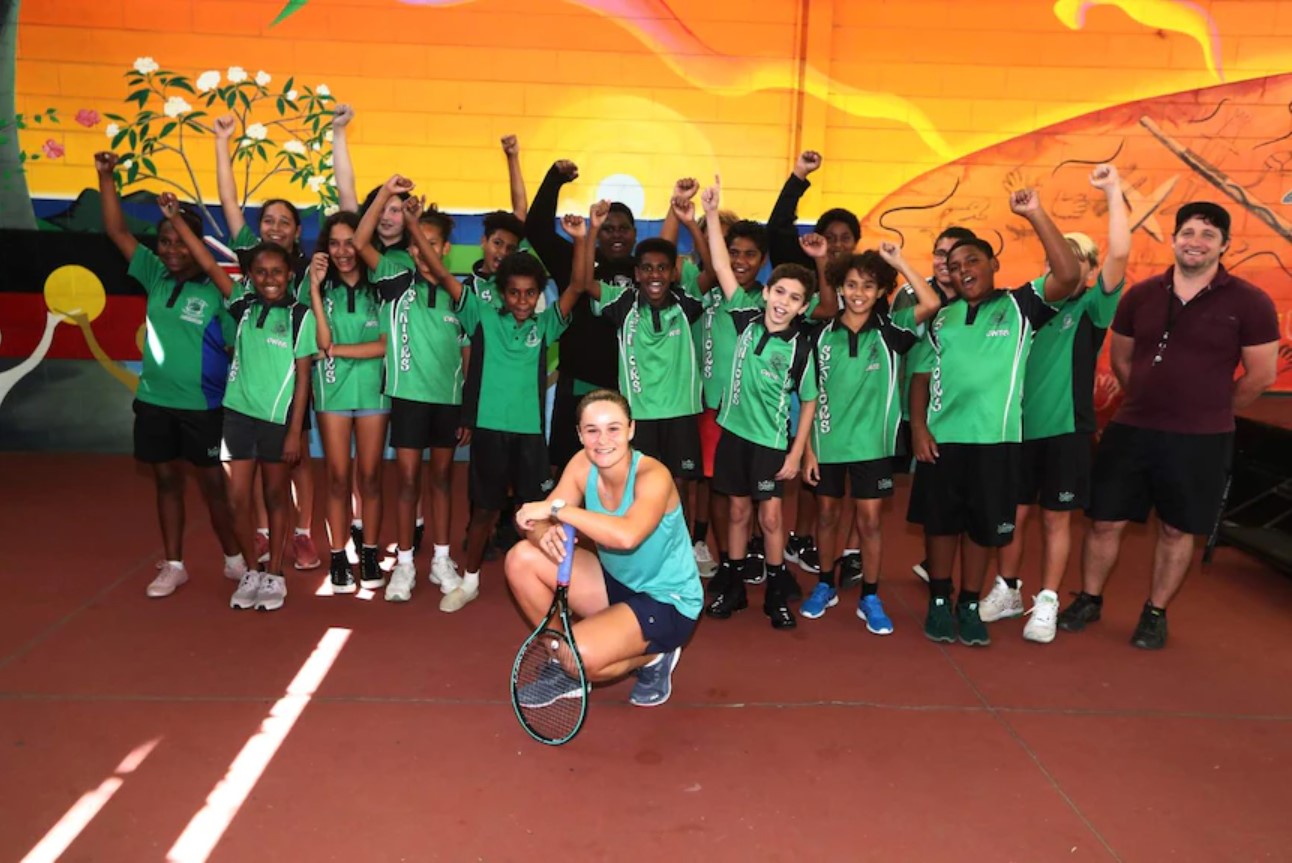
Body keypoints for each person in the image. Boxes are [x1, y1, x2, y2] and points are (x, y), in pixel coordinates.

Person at [1060, 201, 1280, 649]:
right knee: (1103, 520)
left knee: (1177, 529)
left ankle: (1155, 612)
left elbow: (1261, 375)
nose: (1196, 241)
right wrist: (1144, 396)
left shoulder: (1250, 301)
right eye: (1189, 232)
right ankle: (1089, 598)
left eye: (1208, 235)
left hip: (1201, 439)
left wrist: (1215, 408)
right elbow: (1121, 358)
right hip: (1133, 429)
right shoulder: (1140, 295)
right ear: (1174, 238)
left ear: (1225, 245)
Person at [909, 188, 1082, 646]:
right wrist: (920, 429)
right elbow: (921, 378)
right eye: (955, 265)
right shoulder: (940, 318)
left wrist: (1035, 213)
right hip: (943, 442)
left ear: (993, 265)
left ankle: (970, 603)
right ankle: (940, 601)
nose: (964, 270)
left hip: (998, 442)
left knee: (984, 529)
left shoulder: (1021, 307)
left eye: (973, 261)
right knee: (941, 525)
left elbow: (1068, 273)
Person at [412, 187, 588, 613]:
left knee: (542, 518)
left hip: (529, 436)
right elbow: (438, 267)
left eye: (530, 293)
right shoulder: (481, 314)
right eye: (515, 293)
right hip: (490, 433)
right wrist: (414, 226)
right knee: (485, 515)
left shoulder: (546, 325)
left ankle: (556, 588)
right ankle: (470, 582)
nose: (523, 300)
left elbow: (580, 283)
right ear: (502, 292)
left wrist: (584, 239)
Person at [986, 165, 1130, 642]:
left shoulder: (1091, 307)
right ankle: (1007, 589)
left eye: (1076, 258)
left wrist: (1111, 190)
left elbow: (1121, 254)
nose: (1062, 262)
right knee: (1015, 513)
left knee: (1054, 517)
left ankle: (1047, 601)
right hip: (1017, 429)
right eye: (1056, 255)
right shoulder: (1029, 309)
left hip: (1065, 430)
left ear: (1088, 271)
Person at [93, 152, 244, 598]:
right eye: (165, 241)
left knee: (215, 488)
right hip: (156, 403)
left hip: (204, 408)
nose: (172, 250)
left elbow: (238, 351)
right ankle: (174, 563)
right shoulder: (155, 275)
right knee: (165, 481)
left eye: (181, 240)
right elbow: (116, 231)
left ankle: (234, 559)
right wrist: (106, 178)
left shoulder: (219, 292)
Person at [506, 389, 702, 708]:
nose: (602, 440)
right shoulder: (583, 464)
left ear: (631, 429)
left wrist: (557, 510)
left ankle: (653, 658)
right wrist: (541, 534)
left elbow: (626, 536)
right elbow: (537, 519)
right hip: (614, 582)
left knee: (581, 657)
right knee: (520, 559)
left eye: (613, 428)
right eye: (592, 430)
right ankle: (560, 661)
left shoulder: (653, 475)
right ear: (580, 434)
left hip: (667, 601)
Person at [800, 244, 941, 630]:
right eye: (850, 285)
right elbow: (809, 398)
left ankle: (871, 596)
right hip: (827, 443)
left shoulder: (893, 331)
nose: (858, 293)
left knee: (871, 522)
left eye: (868, 286)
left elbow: (929, 301)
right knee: (826, 516)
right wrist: (808, 451)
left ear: (881, 292)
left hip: (873, 446)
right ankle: (825, 584)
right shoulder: (819, 336)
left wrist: (898, 261)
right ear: (839, 288)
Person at [701, 177, 819, 630]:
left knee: (770, 517)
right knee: (736, 511)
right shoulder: (744, 316)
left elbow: (807, 403)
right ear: (766, 293)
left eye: (794, 298)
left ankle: (774, 590)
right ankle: (731, 584)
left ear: (802, 308)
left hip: (770, 443)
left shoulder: (801, 348)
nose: (783, 303)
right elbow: (720, 263)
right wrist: (712, 214)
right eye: (779, 293)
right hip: (734, 434)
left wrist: (795, 453)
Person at [352, 178, 471, 603]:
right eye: (418, 243)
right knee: (406, 480)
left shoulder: (460, 294)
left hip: (448, 403)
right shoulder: (394, 280)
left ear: (446, 250)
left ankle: (440, 558)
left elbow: (468, 352)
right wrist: (387, 195)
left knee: (440, 478)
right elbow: (361, 238)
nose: (426, 251)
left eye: (434, 243)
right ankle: (403, 563)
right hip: (407, 400)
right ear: (409, 247)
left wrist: (466, 412)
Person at [213, 113, 320, 572]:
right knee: (255, 459)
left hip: (293, 377)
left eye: (285, 221)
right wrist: (223, 142)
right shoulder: (254, 260)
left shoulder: (309, 270)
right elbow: (228, 202)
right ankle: (261, 530)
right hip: (251, 380)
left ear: (297, 231)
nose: (275, 227)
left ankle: (302, 533)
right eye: (268, 220)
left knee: (298, 457)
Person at [767, 150, 861, 576]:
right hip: (801, 386)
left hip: (846, 390)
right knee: (789, 461)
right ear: (818, 239)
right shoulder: (805, 274)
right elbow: (777, 226)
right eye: (831, 236)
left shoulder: (866, 281)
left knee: (818, 471)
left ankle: (802, 539)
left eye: (845, 238)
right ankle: (774, 539)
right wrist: (799, 177)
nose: (838, 244)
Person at [582, 202, 706, 516]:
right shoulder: (622, 302)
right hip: (640, 414)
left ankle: (682, 551)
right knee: (639, 483)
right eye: (647, 268)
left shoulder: (685, 300)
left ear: (673, 273)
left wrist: (691, 223)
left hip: (681, 412)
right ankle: (642, 549)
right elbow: (584, 283)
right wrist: (592, 230)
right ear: (637, 273)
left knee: (681, 484)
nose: (655, 274)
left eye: (662, 268)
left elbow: (714, 270)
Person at [525, 159, 636, 469]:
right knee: (568, 467)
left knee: (621, 473)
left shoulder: (646, 273)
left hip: (629, 392)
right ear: (598, 232)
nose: (616, 235)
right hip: (578, 384)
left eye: (623, 229)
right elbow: (535, 229)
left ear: (634, 234)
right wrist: (554, 179)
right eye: (609, 228)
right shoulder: (577, 259)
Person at [305, 212, 389, 594]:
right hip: (332, 391)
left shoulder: (380, 287)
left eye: (350, 242)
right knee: (338, 477)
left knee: (370, 477)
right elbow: (319, 342)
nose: (343, 251)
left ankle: (369, 552)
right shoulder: (322, 289)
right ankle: (338, 556)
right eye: (335, 243)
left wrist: (338, 349)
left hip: (374, 392)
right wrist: (314, 291)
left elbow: (385, 346)